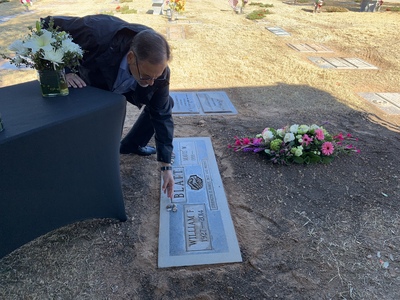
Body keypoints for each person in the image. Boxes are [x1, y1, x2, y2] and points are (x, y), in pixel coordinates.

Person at [41, 15, 175, 198]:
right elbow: (47, 25)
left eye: (156, 76)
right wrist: (64, 71)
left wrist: (165, 165)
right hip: (92, 79)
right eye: (146, 76)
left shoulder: (157, 73)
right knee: (97, 126)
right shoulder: (95, 32)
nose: (152, 82)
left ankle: (131, 144)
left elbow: (162, 114)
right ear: (130, 57)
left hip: (123, 83)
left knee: (162, 103)